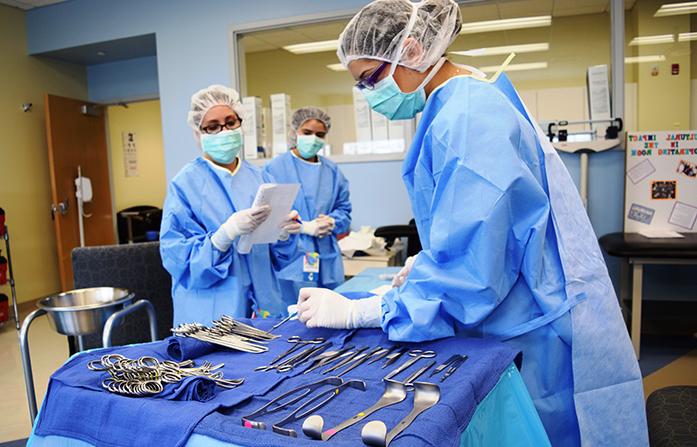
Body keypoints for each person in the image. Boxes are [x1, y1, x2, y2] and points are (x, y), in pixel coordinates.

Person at [296, 1, 648, 446]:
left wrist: (363, 311)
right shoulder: (463, 102)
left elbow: (473, 272)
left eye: (370, 78)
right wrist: (430, 260)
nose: (368, 94)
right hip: (526, 311)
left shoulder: (466, 118)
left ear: (411, 49)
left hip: (529, 332)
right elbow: (483, 224)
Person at [160, 85, 300, 326]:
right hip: (210, 315)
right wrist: (224, 236)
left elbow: (282, 260)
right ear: (198, 133)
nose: (224, 131)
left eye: (230, 122)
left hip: (264, 308)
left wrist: (283, 234)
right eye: (213, 126)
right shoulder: (185, 185)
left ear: (240, 123)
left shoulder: (261, 178)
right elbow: (178, 260)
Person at [264, 107, 352, 303]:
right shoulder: (275, 168)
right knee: (293, 315)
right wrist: (302, 227)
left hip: (326, 255)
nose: (313, 138)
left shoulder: (332, 171)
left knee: (328, 314)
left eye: (320, 134)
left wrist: (332, 221)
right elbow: (266, 216)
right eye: (307, 132)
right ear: (295, 132)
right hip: (289, 256)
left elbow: (344, 212)